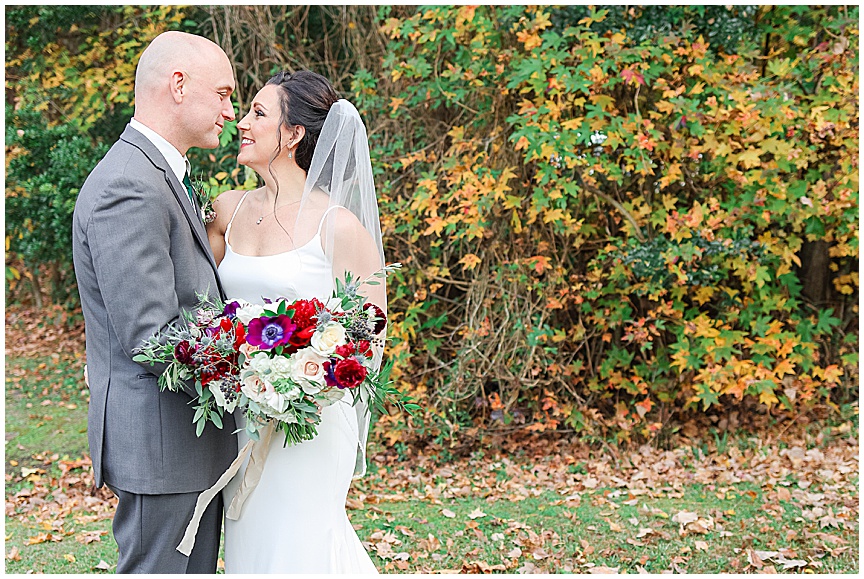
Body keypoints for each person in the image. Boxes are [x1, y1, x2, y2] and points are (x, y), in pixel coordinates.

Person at [71, 31, 238, 574]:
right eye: (223, 94)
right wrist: (256, 370)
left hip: (184, 442)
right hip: (161, 446)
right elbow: (150, 334)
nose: (230, 112)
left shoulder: (157, 174)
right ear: (178, 84)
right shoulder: (130, 184)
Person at [206, 70, 384, 573]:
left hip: (308, 422)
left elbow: (368, 334)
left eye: (258, 113)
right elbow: (200, 309)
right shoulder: (225, 211)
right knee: (252, 542)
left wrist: (300, 380)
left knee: (300, 540)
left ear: (293, 135)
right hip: (241, 412)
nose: (241, 122)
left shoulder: (337, 226)